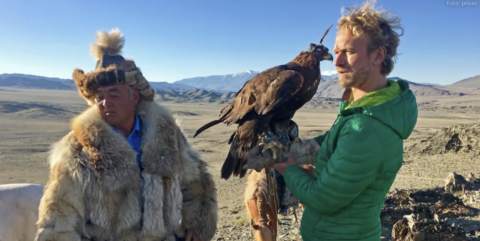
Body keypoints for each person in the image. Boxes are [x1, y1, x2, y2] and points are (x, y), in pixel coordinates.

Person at [246, 0, 418, 240]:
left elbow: (322, 198)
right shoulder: (367, 110)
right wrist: (293, 149)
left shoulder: (366, 130)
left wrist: (287, 168)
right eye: (336, 52)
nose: (336, 62)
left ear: (378, 55)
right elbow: (336, 142)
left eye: (348, 52)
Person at [34, 28, 218, 241]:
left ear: (134, 97)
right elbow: (58, 214)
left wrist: (197, 224)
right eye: (99, 96)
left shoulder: (167, 134)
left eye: (114, 93)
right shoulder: (77, 147)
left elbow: (197, 181)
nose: (105, 102)